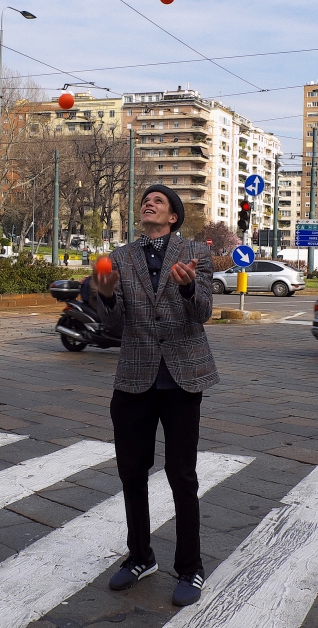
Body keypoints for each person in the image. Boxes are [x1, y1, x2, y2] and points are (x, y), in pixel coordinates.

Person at [91, 184, 216, 607]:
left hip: (182, 379)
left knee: (182, 475)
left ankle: (191, 567)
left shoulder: (196, 252)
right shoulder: (122, 257)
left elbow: (203, 313)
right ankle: (140, 556)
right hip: (134, 379)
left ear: (174, 216)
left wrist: (186, 288)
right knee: (131, 473)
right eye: (146, 199)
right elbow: (112, 325)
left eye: (159, 200)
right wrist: (105, 294)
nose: (149, 202)